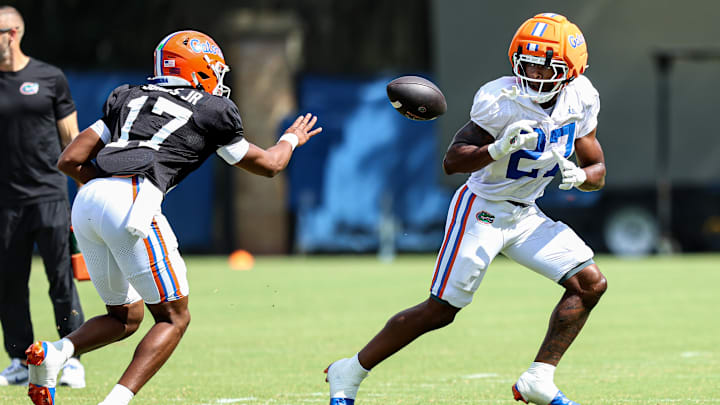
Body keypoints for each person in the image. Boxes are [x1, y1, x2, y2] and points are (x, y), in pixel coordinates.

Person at [25, 30, 322, 405]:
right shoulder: (213, 110)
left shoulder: (127, 96)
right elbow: (269, 165)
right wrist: (291, 138)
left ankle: (56, 354)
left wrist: (105, 194)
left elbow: (69, 159)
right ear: (198, 71)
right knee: (173, 318)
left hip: (87, 202)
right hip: (135, 201)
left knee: (125, 317)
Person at [325, 13, 607, 405]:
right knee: (442, 309)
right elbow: (452, 161)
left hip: (526, 214)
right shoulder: (500, 99)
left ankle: (538, 379)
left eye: (547, 65)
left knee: (589, 283)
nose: (534, 72)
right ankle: (350, 369)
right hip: (482, 208)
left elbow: (598, 169)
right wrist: (497, 148)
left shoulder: (582, 97)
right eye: (527, 61)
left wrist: (581, 177)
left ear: (572, 71)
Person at [0, 5, 86, 389]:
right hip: (5, 204)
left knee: (61, 280)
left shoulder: (50, 78)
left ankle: (71, 359)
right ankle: (20, 360)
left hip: (50, 195)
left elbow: (72, 137)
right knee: (9, 282)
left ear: (13, 33)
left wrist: (85, 185)